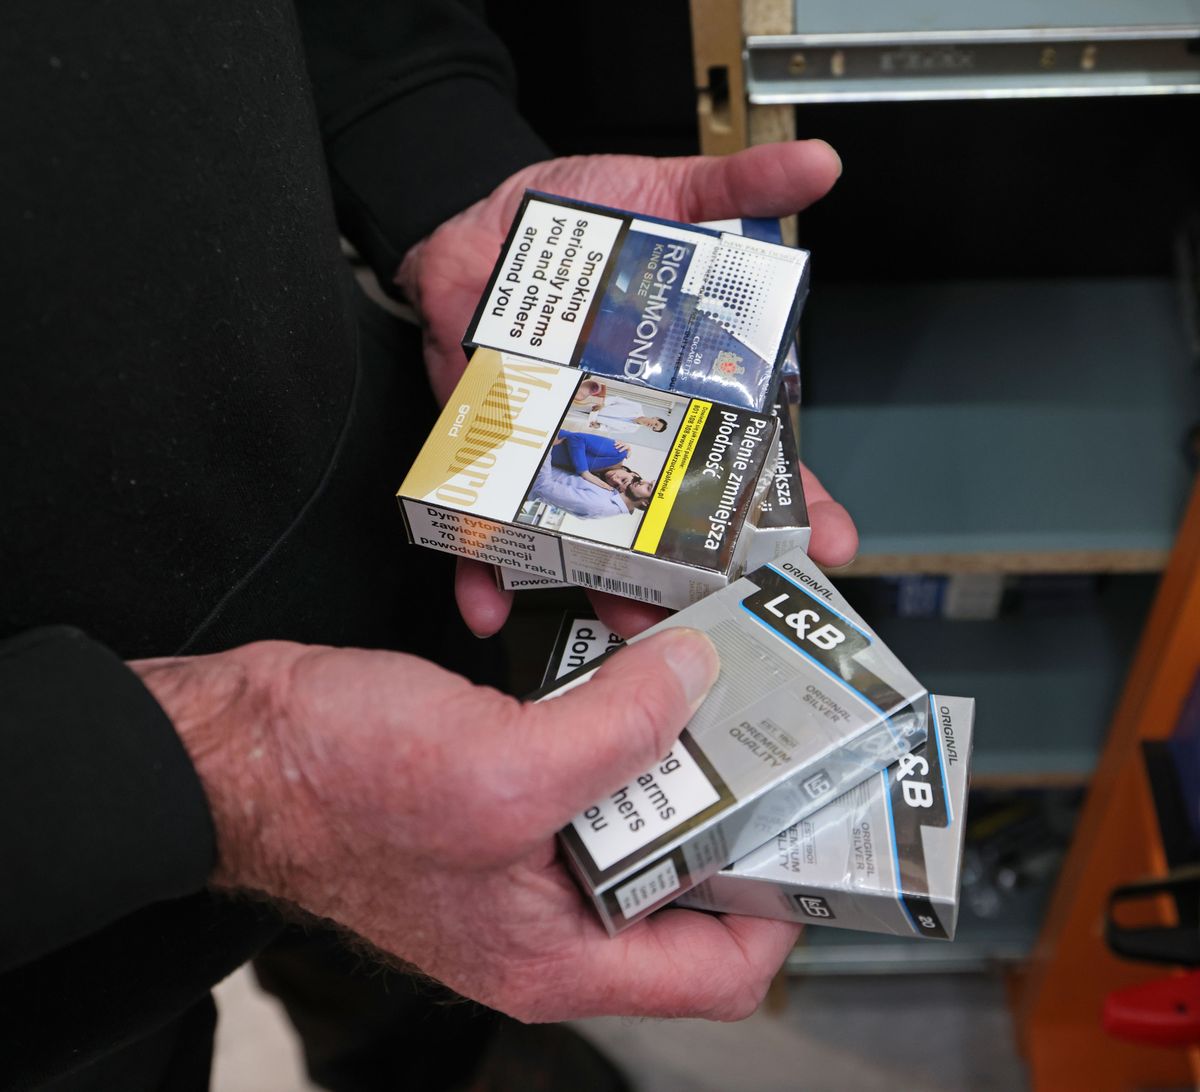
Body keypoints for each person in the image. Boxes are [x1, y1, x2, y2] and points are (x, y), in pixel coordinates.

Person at [1, 2, 858, 1088]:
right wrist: (205, 769)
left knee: (422, 984)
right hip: (43, 927)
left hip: (367, 508)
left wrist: (430, 141)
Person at [529, 462, 654, 520]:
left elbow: (543, 487)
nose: (644, 481)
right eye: (650, 482)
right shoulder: (612, 494)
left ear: (645, 503)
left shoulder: (601, 505)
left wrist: (547, 447)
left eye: (648, 487)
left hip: (529, 477)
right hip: (534, 470)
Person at [550, 429, 635, 491]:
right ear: (633, 474)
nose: (615, 479)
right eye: (623, 479)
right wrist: (584, 472)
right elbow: (576, 438)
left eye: (616, 486)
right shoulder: (618, 453)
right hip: (550, 437)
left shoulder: (597, 478)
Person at [587, 394, 669, 435]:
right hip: (594, 406)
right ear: (656, 418)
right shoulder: (637, 407)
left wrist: (598, 426)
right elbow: (616, 399)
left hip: (591, 420)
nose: (652, 426)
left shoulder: (632, 429)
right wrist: (603, 404)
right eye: (655, 424)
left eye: (654, 428)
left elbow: (609, 429)